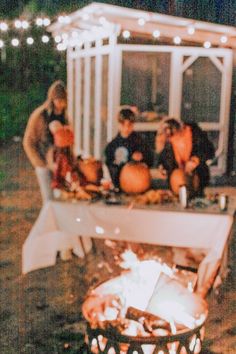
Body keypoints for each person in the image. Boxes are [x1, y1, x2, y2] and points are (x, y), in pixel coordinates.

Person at [23, 80, 68, 203]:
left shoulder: (65, 116)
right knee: (49, 200)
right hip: (43, 162)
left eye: (63, 101)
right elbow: (28, 141)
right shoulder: (40, 115)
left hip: (58, 163)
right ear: (52, 99)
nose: (61, 104)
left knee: (61, 198)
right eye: (58, 101)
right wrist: (40, 163)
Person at [155, 118, 215, 196]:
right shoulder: (169, 141)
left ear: (182, 129)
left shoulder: (196, 134)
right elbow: (163, 158)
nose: (175, 140)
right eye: (171, 138)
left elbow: (210, 151)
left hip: (197, 176)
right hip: (177, 181)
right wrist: (162, 166)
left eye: (177, 136)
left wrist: (196, 159)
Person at [104, 108, 154, 188]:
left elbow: (150, 160)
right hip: (118, 184)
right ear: (118, 124)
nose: (126, 128)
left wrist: (142, 157)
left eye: (129, 125)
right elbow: (109, 165)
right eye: (123, 124)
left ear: (133, 124)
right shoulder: (112, 146)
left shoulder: (140, 142)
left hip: (137, 183)